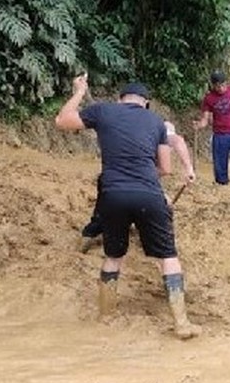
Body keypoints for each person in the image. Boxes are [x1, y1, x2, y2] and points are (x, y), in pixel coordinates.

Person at [56, 77, 201, 339]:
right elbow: (166, 169)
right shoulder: (156, 121)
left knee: (113, 256)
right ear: (145, 103)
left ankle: (106, 316)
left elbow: (62, 121)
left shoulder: (103, 111)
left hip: (112, 194)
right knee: (168, 257)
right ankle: (182, 324)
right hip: (148, 194)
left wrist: (79, 91)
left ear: (120, 99)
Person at [79, 120, 186, 254]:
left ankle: (93, 233)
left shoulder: (140, 139)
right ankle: (92, 234)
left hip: (114, 180)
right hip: (120, 182)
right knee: (156, 206)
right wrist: (188, 169)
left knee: (111, 207)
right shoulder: (154, 143)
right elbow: (176, 143)